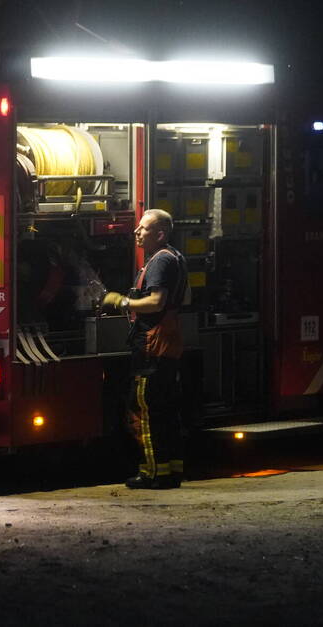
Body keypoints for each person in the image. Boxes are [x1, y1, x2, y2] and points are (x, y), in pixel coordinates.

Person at [101, 209, 188, 489]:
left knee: (144, 408)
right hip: (167, 342)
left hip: (153, 345)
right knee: (166, 409)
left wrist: (121, 302)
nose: (137, 232)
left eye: (143, 228)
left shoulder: (161, 261)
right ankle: (172, 470)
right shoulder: (174, 256)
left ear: (159, 234)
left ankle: (153, 473)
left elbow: (156, 302)